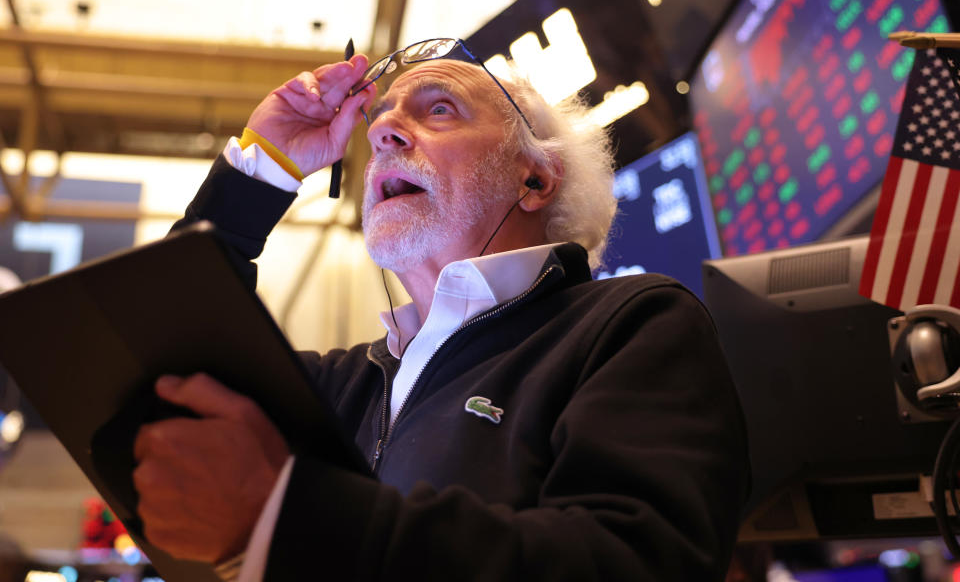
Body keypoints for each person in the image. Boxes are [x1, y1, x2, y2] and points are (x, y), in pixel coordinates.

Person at [131, 44, 750, 581]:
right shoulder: (344, 385)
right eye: (379, 121)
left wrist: (294, 512)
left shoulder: (629, 327)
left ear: (534, 179)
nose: (380, 133)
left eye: (439, 109)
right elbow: (155, 368)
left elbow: (634, 566)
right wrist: (263, 168)